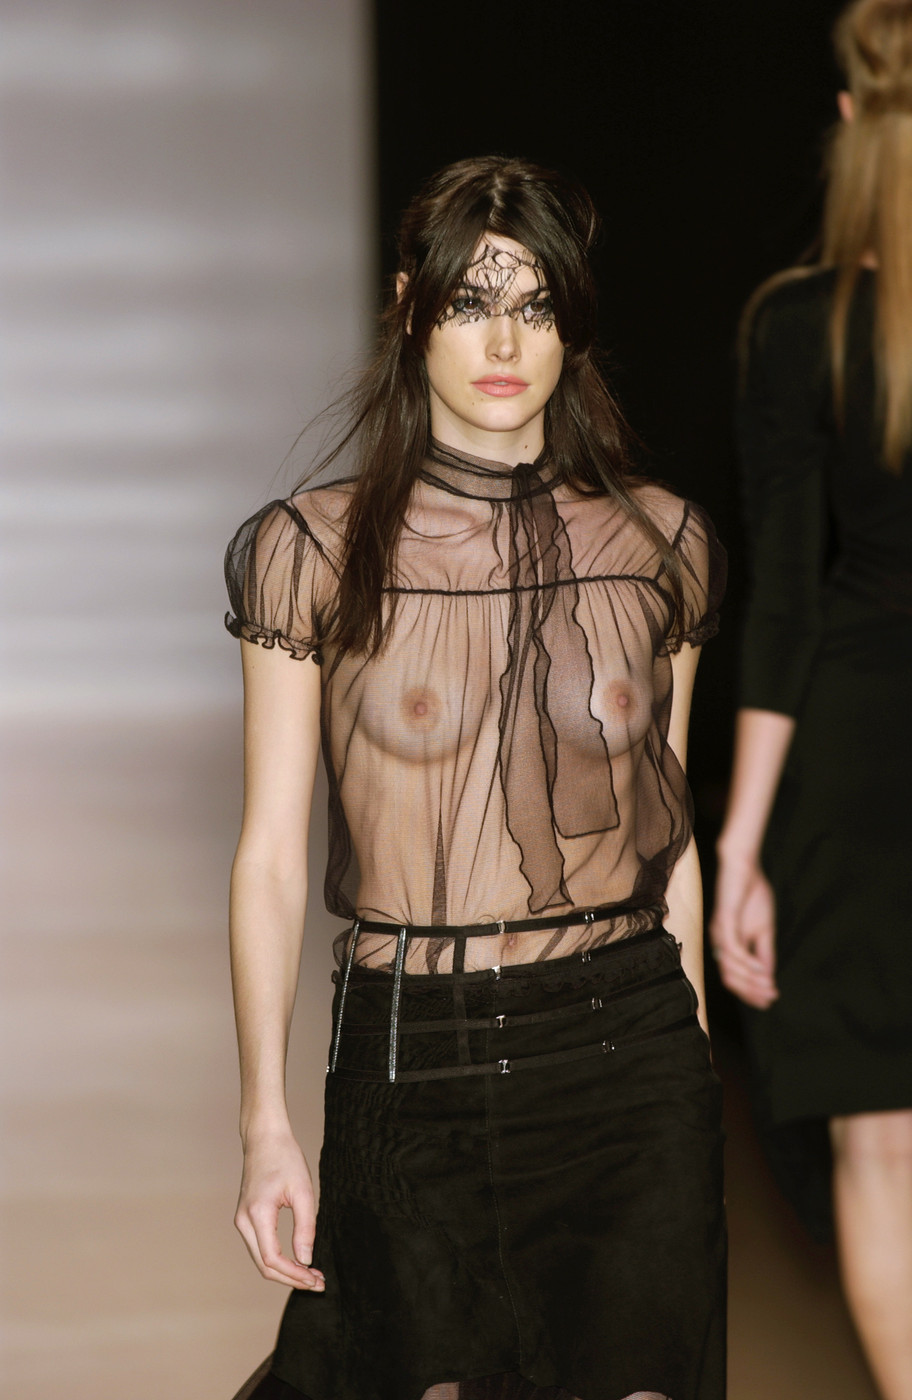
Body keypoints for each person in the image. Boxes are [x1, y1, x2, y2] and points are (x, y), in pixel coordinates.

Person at [225, 155, 727, 1400]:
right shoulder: (314, 553)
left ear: (574, 325)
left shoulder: (660, 543)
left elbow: (670, 834)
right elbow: (273, 854)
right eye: (470, 302)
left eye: (537, 304)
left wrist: (700, 1064)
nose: (505, 341)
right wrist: (264, 1119)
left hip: (630, 1043)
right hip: (414, 1057)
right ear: (411, 311)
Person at [710, 3, 912, 1396]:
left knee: (881, 1145)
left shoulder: (801, 326)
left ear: (848, 120)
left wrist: (739, 848)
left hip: (852, 761)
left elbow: (782, 597)